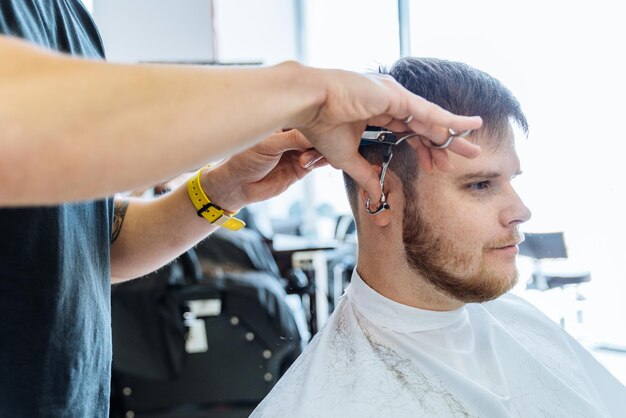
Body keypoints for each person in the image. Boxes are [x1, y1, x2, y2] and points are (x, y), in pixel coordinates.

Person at [0, 2, 485, 417]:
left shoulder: (67, 16)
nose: (520, 212)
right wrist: (307, 92)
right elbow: (17, 125)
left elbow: (97, 242)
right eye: (481, 184)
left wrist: (221, 190)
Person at [251, 57, 626, 417]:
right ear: (378, 196)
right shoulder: (317, 405)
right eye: (480, 184)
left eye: (511, 181)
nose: (521, 210)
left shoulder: (523, 323)